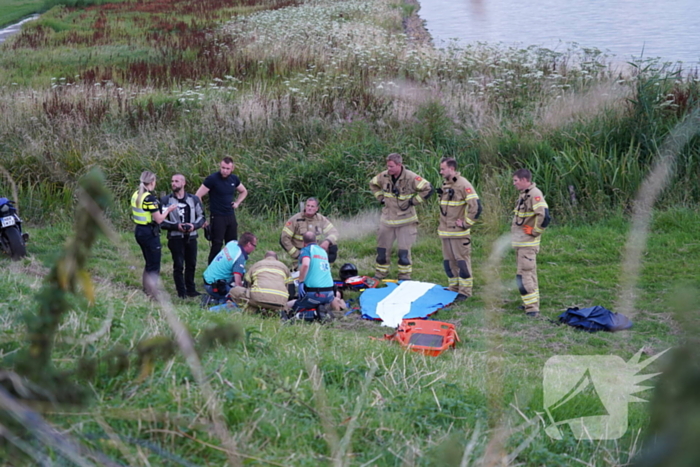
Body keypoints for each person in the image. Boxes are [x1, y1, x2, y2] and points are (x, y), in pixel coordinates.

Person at [369, 153, 433, 280]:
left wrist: (414, 201)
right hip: (387, 221)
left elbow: (428, 189)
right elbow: (373, 184)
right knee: (382, 250)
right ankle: (380, 274)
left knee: (403, 252)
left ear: (399, 165)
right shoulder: (384, 176)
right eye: (388, 166)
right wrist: (380, 198)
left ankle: (404, 276)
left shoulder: (411, 177)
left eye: (391, 166)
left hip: (406, 221)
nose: (389, 169)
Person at [437, 157, 482, 302]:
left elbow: (476, 206)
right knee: (449, 262)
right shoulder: (446, 185)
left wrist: (466, 223)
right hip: (446, 232)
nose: (441, 172)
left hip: (458, 233)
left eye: (443, 169)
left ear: (451, 169)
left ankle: (465, 291)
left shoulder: (463, 185)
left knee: (461, 262)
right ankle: (453, 287)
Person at [131, 171, 178, 299]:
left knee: (148, 262)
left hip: (139, 230)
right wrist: (168, 210)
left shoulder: (136, 195)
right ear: (152, 182)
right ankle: (152, 293)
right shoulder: (149, 198)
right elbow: (159, 219)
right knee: (154, 265)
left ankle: (147, 289)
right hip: (149, 232)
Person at [511, 168, 551, 317]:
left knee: (524, 276)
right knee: (528, 273)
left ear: (524, 180)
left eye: (516, 181)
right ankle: (530, 302)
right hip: (521, 243)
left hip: (527, 244)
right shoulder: (525, 195)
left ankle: (532, 308)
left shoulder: (535, 194)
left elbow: (545, 216)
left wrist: (534, 231)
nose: (514, 184)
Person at [195, 157, 248, 264]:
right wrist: (202, 215)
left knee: (232, 244)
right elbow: (198, 195)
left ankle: (230, 268)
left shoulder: (234, 179)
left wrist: (237, 203)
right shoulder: (212, 179)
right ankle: (211, 271)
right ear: (220, 166)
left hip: (230, 215)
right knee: (217, 244)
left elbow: (243, 191)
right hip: (217, 216)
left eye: (227, 168)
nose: (224, 170)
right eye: (223, 168)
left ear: (232, 168)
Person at [161, 174, 205, 299]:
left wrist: (194, 226)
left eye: (176, 181)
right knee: (178, 265)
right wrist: (177, 226)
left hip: (192, 236)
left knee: (191, 264)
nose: (173, 183)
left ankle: (191, 289)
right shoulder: (166, 200)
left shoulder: (194, 199)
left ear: (183, 183)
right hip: (175, 237)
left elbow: (202, 216)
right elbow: (161, 221)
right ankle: (181, 292)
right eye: (172, 181)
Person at [202, 232, 257, 304]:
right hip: (213, 286)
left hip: (207, 278)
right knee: (238, 298)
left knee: (241, 272)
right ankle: (212, 300)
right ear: (249, 244)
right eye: (254, 246)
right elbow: (238, 284)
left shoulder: (232, 243)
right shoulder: (239, 258)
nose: (254, 249)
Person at [280, 197, 340, 263]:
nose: (309, 208)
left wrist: (327, 241)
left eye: (312, 206)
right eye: (308, 205)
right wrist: (297, 254)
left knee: (333, 244)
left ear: (317, 209)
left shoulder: (321, 219)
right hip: (301, 250)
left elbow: (334, 233)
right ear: (305, 207)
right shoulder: (295, 219)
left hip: (316, 250)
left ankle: (326, 265)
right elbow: (284, 237)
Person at [288, 231, 335, 313]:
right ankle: (320, 310)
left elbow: (305, 264)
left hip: (315, 294)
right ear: (316, 241)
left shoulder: (306, 250)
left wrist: (301, 282)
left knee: (292, 309)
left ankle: (314, 314)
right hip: (330, 294)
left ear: (303, 243)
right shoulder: (323, 251)